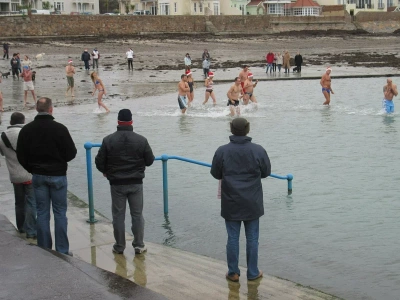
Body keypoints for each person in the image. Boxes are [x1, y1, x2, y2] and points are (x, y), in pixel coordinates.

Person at [210, 117, 271, 282]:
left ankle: (233, 272)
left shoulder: (222, 151)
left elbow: (215, 173)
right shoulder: (258, 150)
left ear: (231, 129)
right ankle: (252, 272)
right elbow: (266, 172)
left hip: (231, 202)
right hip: (252, 202)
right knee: (252, 238)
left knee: (232, 237)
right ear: (248, 129)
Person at [16, 97, 77, 255]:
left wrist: (31, 168)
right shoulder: (60, 129)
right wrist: (60, 162)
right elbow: (72, 153)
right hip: (58, 175)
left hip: (38, 175)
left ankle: (44, 250)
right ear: (51, 109)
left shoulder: (27, 130)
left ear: (37, 109)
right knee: (60, 213)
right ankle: (62, 250)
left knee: (42, 212)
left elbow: (21, 155)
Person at [95, 109, 155, 255]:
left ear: (118, 121)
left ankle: (119, 246)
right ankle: (139, 245)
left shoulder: (108, 140)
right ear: (131, 121)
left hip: (116, 184)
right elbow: (150, 160)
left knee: (118, 216)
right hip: (136, 183)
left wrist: (106, 171)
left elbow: (99, 161)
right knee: (137, 215)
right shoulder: (141, 140)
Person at [0, 112, 37, 238]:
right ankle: (31, 231)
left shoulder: (2, 136)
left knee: (19, 203)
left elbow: (3, 154)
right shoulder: (27, 133)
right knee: (31, 202)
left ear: (11, 122)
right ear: (23, 121)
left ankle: (21, 228)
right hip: (29, 174)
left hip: (15, 176)